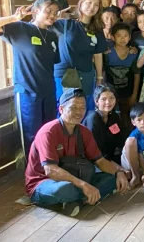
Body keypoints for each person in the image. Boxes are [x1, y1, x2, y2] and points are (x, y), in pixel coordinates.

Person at [25, 88, 129, 217]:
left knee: (112, 179)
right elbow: (50, 170)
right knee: (64, 190)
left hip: (75, 177)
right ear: (61, 109)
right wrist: (83, 185)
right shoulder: (49, 132)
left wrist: (118, 172)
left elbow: (100, 161)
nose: (79, 112)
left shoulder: (84, 132)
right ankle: (82, 198)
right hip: (45, 182)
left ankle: (75, 202)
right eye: (73, 108)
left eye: (82, 108)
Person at [0, 0, 60, 153]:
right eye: (48, 11)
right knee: (31, 135)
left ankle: (49, 172)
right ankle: (33, 174)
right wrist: (13, 18)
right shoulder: (20, 29)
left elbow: (51, 64)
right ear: (36, 11)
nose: (52, 15)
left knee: (49, 133)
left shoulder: (52, 36)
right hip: (27, 93)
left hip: (49, 92)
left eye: (55, 12)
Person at [54, 0, 107, 112]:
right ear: (80, 4)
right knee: (65, 108)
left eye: (96, 5)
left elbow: (98, 54)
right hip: (64, 74)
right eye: (88, 3)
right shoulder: (65, 24)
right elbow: (42, 27)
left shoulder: (97, 29)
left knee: (86, 107)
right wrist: (55, 17)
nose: (91, 7)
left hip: (86, 74)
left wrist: (99, 77)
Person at [104, 23, 139, 129]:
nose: (122, 39)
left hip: (127, 92)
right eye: (119, 36)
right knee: (111, 118)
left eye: (125, 36)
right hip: (111, 92)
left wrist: (134, 95)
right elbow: (103, 72)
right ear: (113, 37)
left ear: (129, 37)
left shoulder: (134, 53)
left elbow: (137, 74)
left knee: (127, 118)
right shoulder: (108, 52)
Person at [82, 86, 127, 165]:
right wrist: (116, 166)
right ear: (96, 101)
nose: (108, 102)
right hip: (94, 161)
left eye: (111, 98)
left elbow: (120, 140)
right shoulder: (93, 119)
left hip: (110, 157)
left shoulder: (113, 116)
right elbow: (93, 150)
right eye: (104, 99)